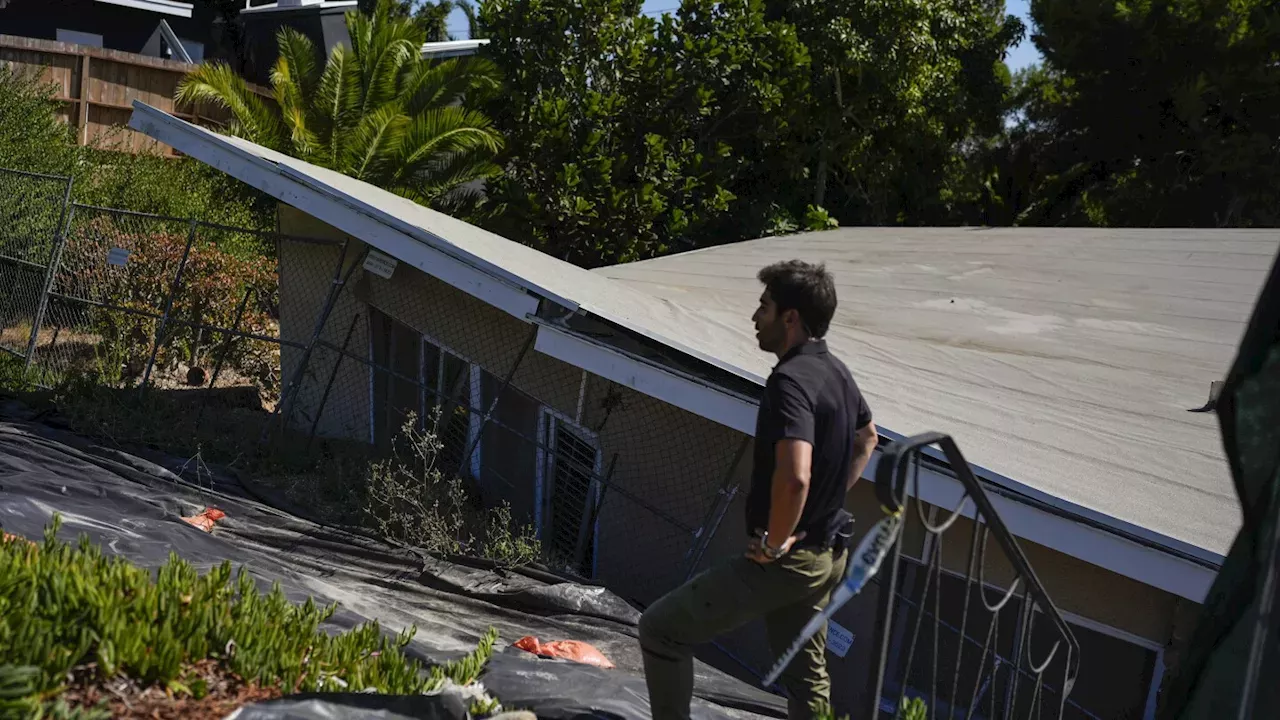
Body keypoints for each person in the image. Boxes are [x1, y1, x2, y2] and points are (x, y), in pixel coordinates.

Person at [639, 260, 879, 719]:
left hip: (787, 562)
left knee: (661, 630)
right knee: (807, 679)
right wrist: (824, 505)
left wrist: (773, 541)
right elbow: (867, 438)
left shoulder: (789, 383)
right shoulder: (837, 371)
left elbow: (796, 477)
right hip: (827, 555)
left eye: (764, 306)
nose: (755, 316)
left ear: (790, 318)